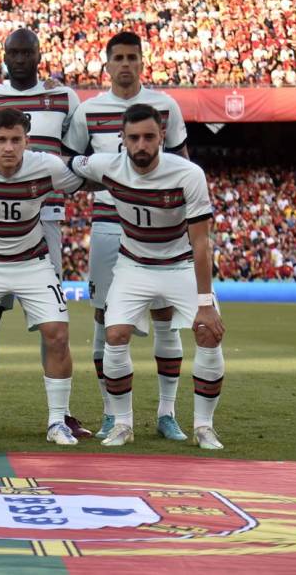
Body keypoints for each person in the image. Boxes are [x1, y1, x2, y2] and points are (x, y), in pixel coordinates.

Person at [68, 104, 226, 449]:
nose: (142, 144)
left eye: (149, 137)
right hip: (133, 264)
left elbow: (201, 242)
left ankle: (204, 426)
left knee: (209, 333)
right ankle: (123, 424)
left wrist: (205, 304)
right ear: (121, 139)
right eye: (134, 137)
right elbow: (67, 165)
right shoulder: (105, 165)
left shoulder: (188, 174)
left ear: (162, 138)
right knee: (115, 334)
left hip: (180, 263)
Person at [63, 31, 191, 441]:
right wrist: (107, 185)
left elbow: (184, 166)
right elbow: (72, 167)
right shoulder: (89, 111)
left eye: (131, 57)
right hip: (107, 226)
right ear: (107, 63)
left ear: (141, 62)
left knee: (164, 317)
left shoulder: (166, 106)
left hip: (161, 231)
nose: (124, 64)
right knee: (104, 318)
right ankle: (110, 413)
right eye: (117, 57)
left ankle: (167, 413)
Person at [0, 28, 88, 437]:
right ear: (4, 55)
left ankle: (61, 413)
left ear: (40, 54)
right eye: (13, 52)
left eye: (27, 51)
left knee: (50, 316)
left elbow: (75, 154)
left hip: (47, 216)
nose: (20, 58)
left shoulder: (64, 97)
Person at [0, 108, 83, 445]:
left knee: (58, 334)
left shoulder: (47, 166)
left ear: (27, 141)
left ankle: (56, 422)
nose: (8, 147)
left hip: (32, 262)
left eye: (15, 140)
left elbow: (82, 178)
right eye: (1, 140)